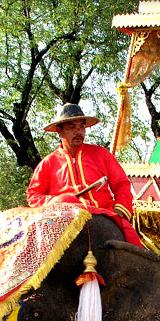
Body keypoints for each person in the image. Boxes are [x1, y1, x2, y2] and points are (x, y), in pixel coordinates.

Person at [26, 102, 141, 247]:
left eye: (81, 127)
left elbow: (122, 184)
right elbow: (33, 195)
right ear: (59, 131)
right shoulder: (48, 162)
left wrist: (120, 209)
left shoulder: (101, 154)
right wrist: (58, 201)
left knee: (133, 246)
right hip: (64, 218)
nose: (78, 132)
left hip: (105, 215)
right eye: (72, 127)